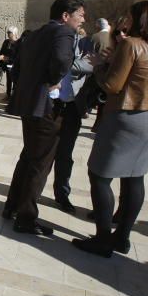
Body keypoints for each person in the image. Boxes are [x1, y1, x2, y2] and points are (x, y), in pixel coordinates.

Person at [73, 0, 148, 257]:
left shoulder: (132, 45)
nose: (127, 21)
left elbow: (112, 86)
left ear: (140, 19)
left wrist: (100, 66)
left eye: (130, 17)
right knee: (134, 177)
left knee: (99, 176)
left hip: (127, 117)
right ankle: (122, 238)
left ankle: (102, 239)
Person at [2, 0, 85, 236]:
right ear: (65, 16)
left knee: (28, 157)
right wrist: (52, 80)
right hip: (48, 108)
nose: (83, 19)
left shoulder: (35, 34)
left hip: (30, 105)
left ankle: (12, 206)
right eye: (80, 15)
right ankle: (26, 218)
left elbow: (17, 66)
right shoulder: (64, 33)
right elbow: (61, 60)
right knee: (40, 163)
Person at [52, 27, 95, 214]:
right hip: (52, 106)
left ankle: (62, 194)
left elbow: (91, 65)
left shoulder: (86, 47)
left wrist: (68, 62)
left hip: (71, 108)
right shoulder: (54, 46)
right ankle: (28, 195)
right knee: (41, 156)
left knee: (65, 155)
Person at [0, 26, 20, 100]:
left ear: (14, 34)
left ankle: (14, 96)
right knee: (9, 79)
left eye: (10, 33)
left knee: (15, 81)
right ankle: (8, 95)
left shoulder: (19, 43)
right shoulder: (6, 42)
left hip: (15, 65)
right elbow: (2, 51)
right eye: (8, 33)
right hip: (7, 64)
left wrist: (9, 59)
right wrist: (1, 57)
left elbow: (19, 55)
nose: (8, 34)